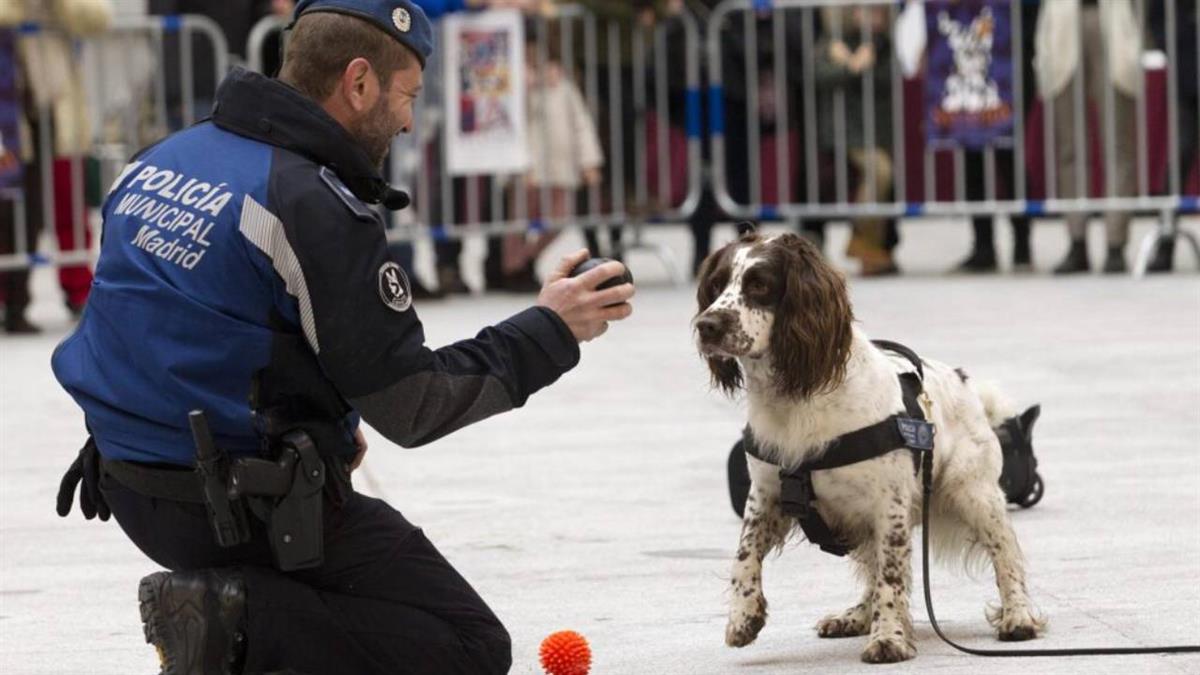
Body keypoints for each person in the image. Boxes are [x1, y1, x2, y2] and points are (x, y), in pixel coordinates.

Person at [51, 2, 635, 674]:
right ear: (358, 83)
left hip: (132, 483)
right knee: (469, 644)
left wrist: (322, 417)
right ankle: (233, 616)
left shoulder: (163, 158)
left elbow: (187, 322)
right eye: (407, 95)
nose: (411, 119)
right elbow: (414, 405)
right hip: (240, 509)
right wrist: (552, 328)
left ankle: (240, 608)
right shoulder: (310, 203)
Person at [1034, 0, 1141, 274]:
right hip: (1064, 18)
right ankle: (1076, 241)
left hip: (1112, 16)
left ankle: (1115, 245)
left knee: (1118, 145)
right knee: (1070, 147)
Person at [496, 28, 604, 292]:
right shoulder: (515, 86)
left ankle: (526, 259)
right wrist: (524, 82)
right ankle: (511, 268)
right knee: (518, 220)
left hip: (561, 165)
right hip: (527, 166)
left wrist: (589, 161)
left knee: (560, 217)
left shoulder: (563, 84)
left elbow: (581, 123)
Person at [815, 5, 897, 276]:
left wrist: (867, 63)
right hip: (845, 130)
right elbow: (818, 75)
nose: (869, 19)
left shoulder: (883, 45)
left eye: (876, 13)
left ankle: (869, 248)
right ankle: (862, 242)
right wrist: (851, 67)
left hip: (878, 130)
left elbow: (891, 79)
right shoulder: (832, 42)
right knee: (881, 171)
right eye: (864, 11)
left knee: (883, 178)